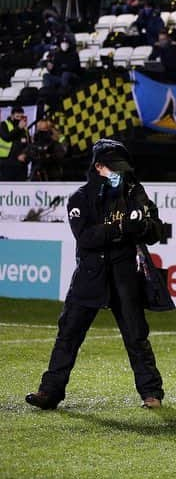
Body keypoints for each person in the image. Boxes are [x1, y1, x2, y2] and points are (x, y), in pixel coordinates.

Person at [26, 139, 165, 410]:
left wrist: (145, 226)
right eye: (112, 168)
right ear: (98, 166)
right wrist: (124, 228)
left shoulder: (135, 192)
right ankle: (49, 392)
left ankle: (152, 393)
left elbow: (157, 233)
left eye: (120, 169)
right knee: (68, 333)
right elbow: (86, 237)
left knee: (136, 335)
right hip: (90, 277)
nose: (118, 174)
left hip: (125, 277)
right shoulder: (80, 197)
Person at [27, 115, 67, 181]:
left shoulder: (56, 139)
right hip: (37, 172)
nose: (43, 132)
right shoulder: (35, 141)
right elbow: (30, 153)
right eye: (40, 129)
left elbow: (61, 154)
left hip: (53, 172)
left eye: (45, 129)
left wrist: (50, 156)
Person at [0, 106, 30, 181]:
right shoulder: (3, 124)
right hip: (6, 162)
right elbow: (7, 137)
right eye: (17, 116)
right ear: (12, 115)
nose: (19, 118)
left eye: (21, 116)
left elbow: (28, 144)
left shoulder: (24, 128)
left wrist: (25, 154)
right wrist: (18, 128)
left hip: (21, 163)